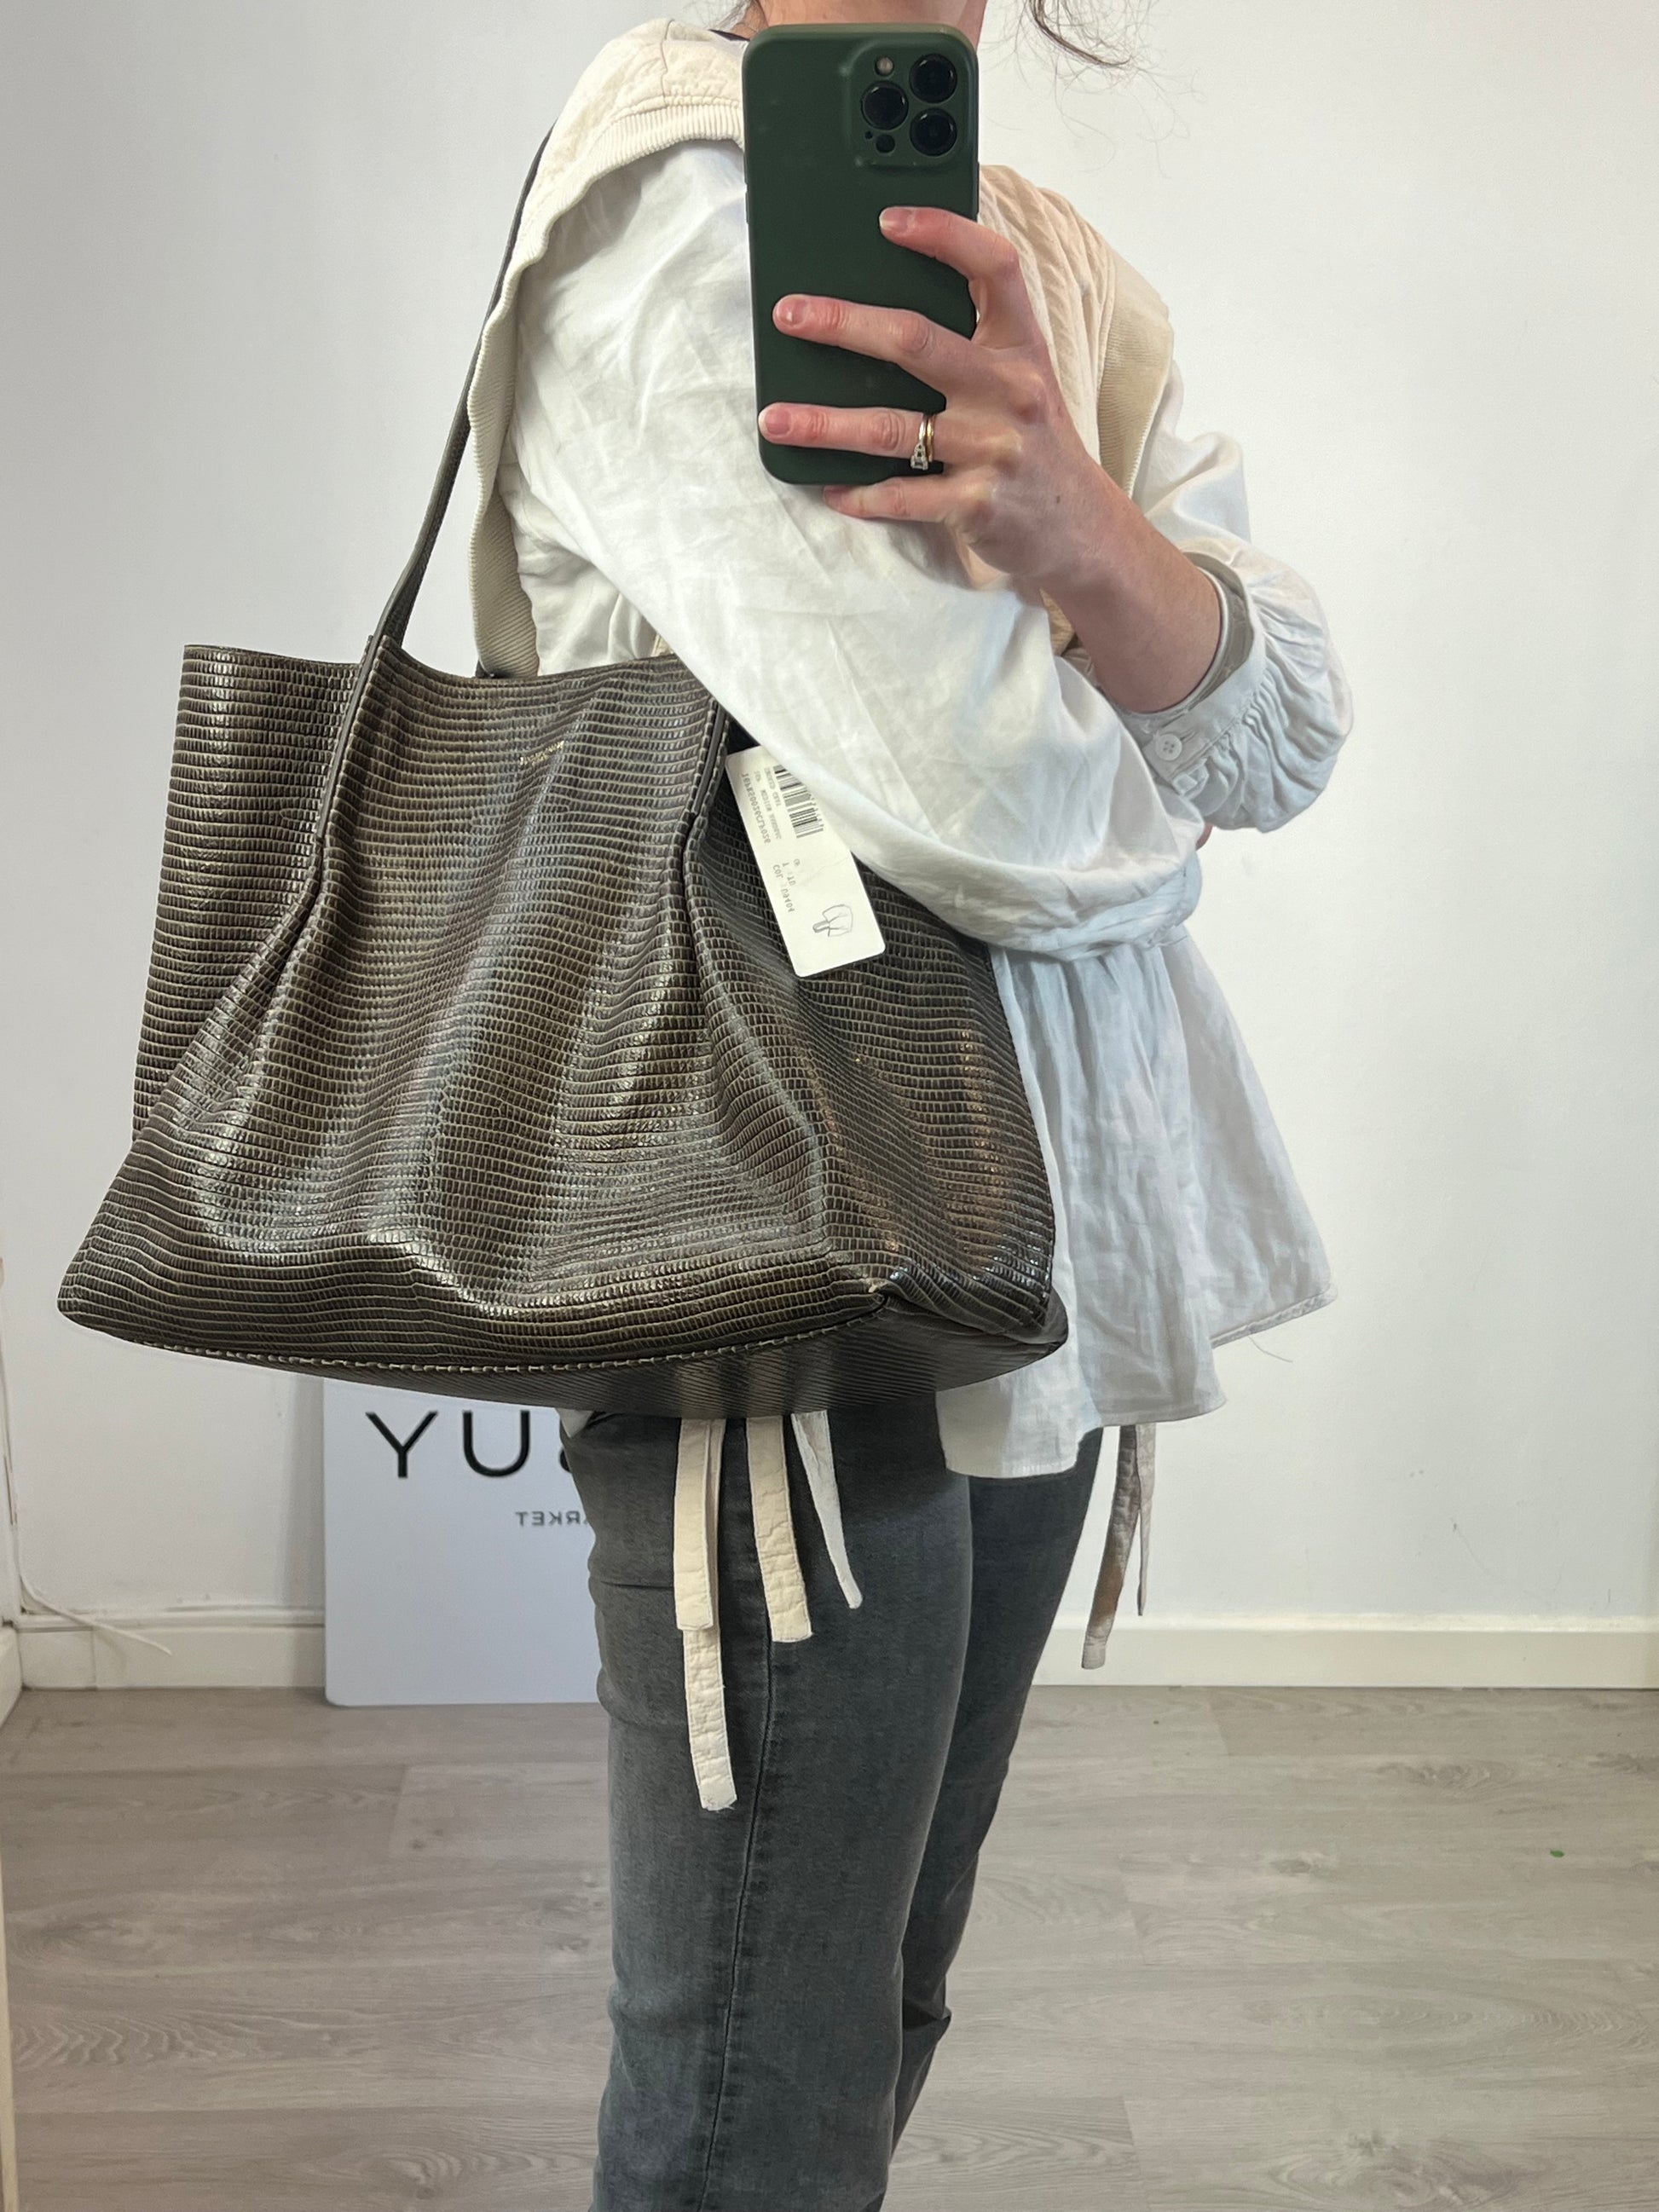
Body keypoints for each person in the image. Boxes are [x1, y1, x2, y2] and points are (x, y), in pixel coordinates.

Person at [460, 4, 1353, 2204]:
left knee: (867, 2014)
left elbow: (1290, 736)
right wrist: (1135, 637)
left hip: (1039, 1259)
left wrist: (1082, 540)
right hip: (785, 1255)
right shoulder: (676, 199)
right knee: (756, 2084)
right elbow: (1003, 808)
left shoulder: (1042, 261)